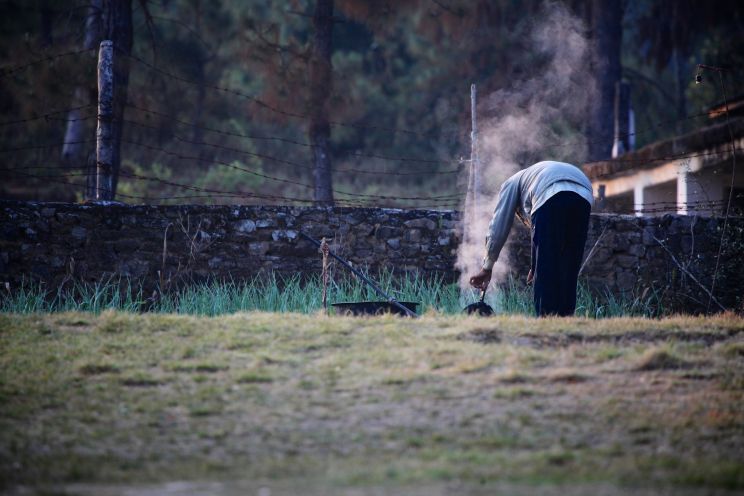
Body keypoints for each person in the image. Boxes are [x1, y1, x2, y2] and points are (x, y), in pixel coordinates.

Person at [469, 161, 593, 317]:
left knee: (545, 272)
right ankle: (566, 319)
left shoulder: (510, 184)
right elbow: (540, 235)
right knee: (569, 265)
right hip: (584, 194)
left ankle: (546, 320)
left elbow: (498, 227)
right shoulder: (530, 179)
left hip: (551, 193)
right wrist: (534, 267)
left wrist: (487, 267)